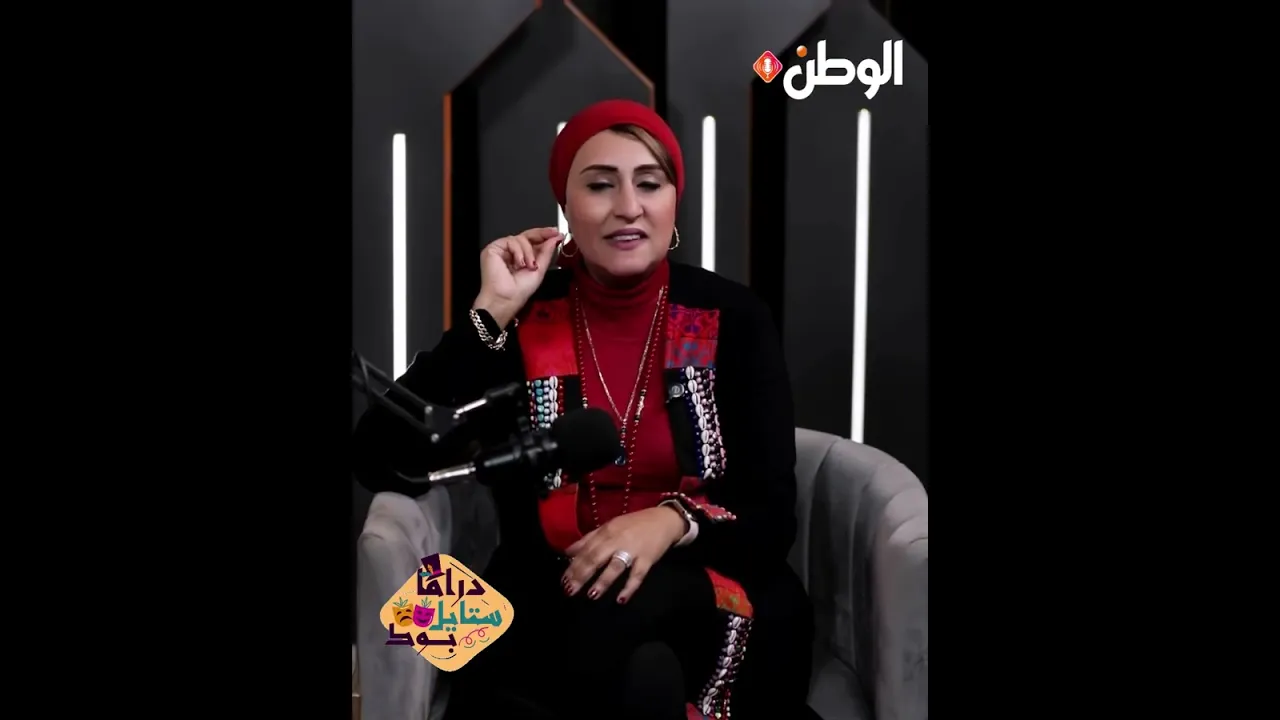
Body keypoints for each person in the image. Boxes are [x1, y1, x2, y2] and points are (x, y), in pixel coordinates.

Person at [352, 99, 813, 720]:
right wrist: (490, 313)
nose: (628, 207)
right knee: (432, 617)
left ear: (674, 202)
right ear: (566, 208)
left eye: (649, 184)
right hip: (546, 584)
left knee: (619, 648)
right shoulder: (527, 314)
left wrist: (667, 521)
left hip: (698, 578)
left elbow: (772, 514)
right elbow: (379, 458)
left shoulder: (732, 316)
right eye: (600, 185)